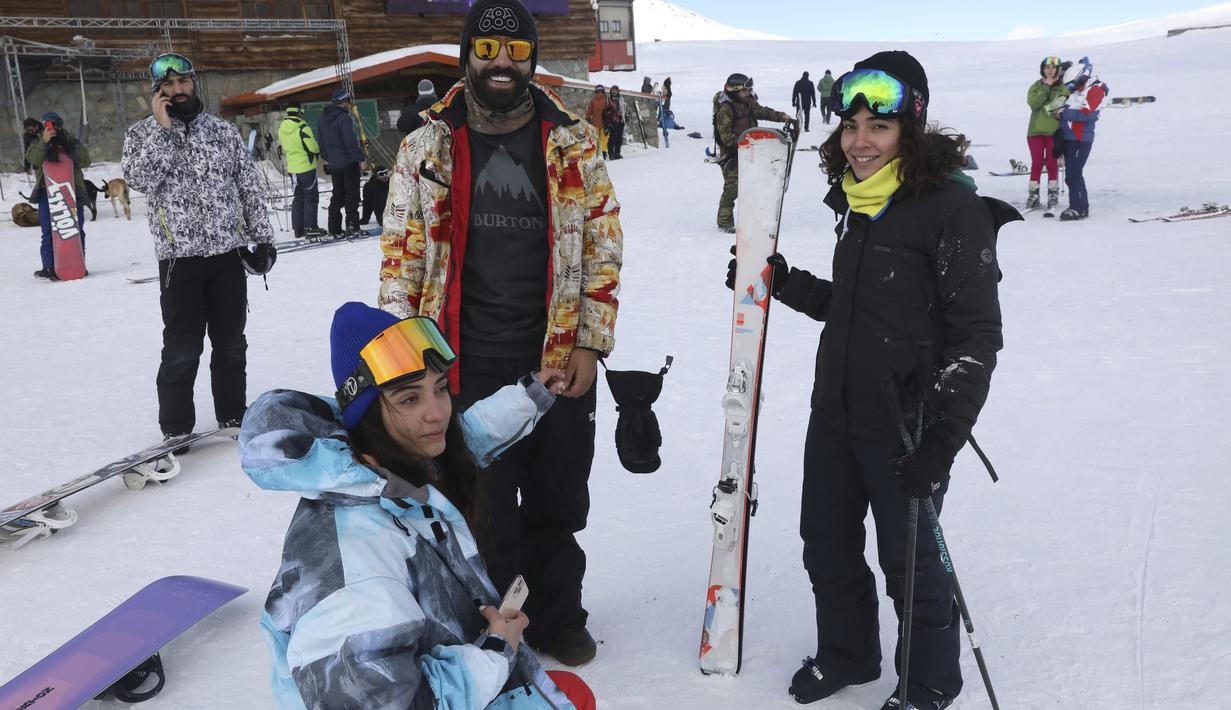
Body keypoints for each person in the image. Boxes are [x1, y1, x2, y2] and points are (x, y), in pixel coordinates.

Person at [726, 51, 1018, 710]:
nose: (859, 141)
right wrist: (789, 284)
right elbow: (862, 305)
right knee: (825, 546)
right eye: (851, 125)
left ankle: (927, 685)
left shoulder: (951, 210)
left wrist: (939, 439)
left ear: (908, 131)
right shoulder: (857, 202)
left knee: (910, 570)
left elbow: (976, 338)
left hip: (908, 428)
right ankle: (847, 655)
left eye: (877, 127)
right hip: (834, 412)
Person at [377, 0, 623, 668]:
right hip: (461, 362)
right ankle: (493, 623)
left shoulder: (572, 139)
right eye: (487, 50)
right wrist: (405, 365)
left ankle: (557, 616)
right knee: (480, 507)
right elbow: (400, 257)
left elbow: (601, 247)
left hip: (553, 356)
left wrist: (589, 344)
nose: (502, 64)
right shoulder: (425, 145)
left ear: (532, 59)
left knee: (558, 498)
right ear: (467, 57)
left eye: (515, 52)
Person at [242, 303, 596, 709]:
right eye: (410, 399)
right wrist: (495, 652)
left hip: (447, 671)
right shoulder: (356, 566)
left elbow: (467, 436)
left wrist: (529, 396)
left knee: (570, 694)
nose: (437, 413)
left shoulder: (386, 463)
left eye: (440, 388)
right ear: (368, 410)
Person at [122, 52, 275, 445]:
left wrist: (262, 237)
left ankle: (231, 415)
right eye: (167, 87)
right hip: (180, 260)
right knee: (182, 347)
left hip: (227, 255)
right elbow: (141, 180)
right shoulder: (141, 135)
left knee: (230, 343)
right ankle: (175, 427)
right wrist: (164, 129)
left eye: (182, 82)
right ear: (157, 93)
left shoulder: (221, 131)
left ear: (193, 83)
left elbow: (248, 185)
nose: (177, 91)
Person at [713, 71, 796, 233]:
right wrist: (744, 143)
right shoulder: (726, 109)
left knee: (754, 184)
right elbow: (725, 136)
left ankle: (755, 218)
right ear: (735, 90)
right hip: (731, 155)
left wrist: (783, 117)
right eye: (744, 90)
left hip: (749, 151)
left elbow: (762, 111)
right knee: (733, 188)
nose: (747, 93)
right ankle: (724, 221)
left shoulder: (747, 102)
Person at [26, 111, 90, 281]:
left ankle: (78, 264)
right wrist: (44, 141)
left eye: (54, 125)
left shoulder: (70, 141)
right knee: (48, 231)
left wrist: (68, 147)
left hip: (72, 191)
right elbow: (33, 159)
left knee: (75, 229)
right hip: (47, 193)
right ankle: (49, 266)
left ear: (60, 125)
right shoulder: (38, 142)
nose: (52, 129)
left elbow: (85, 161)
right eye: (48, 125)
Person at [1057, 57, 1107, 221]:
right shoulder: (1078, 90)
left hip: (1081, 138)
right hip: (1070, 137)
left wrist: (1063, 113)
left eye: (1074, 85)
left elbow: (1088, 115)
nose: (1072, 89)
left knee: (1073, 173)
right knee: (1073, 174)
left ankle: (1077, 207)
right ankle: (1081, 206)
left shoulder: (1095, 90)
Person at [317, 87, 368, 237]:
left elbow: (321, 142)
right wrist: (360, 158)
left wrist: (329, 157)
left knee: (338, 195)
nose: (349, 104)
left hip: (334, 163)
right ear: (344, 101)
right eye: (348, 101)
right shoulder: (344, 118)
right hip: (348, 161)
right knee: (352, 195)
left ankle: (334, 228)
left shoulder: (322, 119)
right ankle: (352, 226)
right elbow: (350, 141)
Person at [1025, 56, 1069, 211]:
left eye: (1053, 67)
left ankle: (1052, 194)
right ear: (1042, 69)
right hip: (1035, 131)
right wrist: (1045, 88)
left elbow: (1061, 104)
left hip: (1053, 131)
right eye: (1047, 67)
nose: (1050, 70)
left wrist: (1050, 106)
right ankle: (1033, 194)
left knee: (1052, 164)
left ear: (1057, 70)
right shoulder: (1035, 86)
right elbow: (1034, 104)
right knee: (1036, 163)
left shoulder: (1062, 87)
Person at [277, 102, 325, 239]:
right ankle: (311, 227)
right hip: (306, 167)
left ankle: (298, 229)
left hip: (292, 169)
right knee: (311, 197)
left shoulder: (281, 128)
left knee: (298, 198)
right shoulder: (303, 127)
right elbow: (313, 147)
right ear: (299, 112)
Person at [585, 84, 611, 159]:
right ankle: (603, 152)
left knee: (596, 138)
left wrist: (587, 118)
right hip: (605, 123)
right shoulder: (607, 99)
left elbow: (589, 110)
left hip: (595, 123)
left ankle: (597, 152)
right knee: (604, 138)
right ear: (603, 91)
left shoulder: (593, 100)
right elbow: (612, 109)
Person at [605, 85, 626, 160]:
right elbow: (606, 110)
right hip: (612, 120)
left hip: (621, 119)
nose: (614, 92)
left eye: (615, 90)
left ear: (617, 91)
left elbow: (624, 108)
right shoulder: (608, 99)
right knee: (613, 137)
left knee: (619, 137)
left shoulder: (621, 98)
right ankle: (611, 153)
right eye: (612, 90)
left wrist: (625, 115)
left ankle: (617, 153)